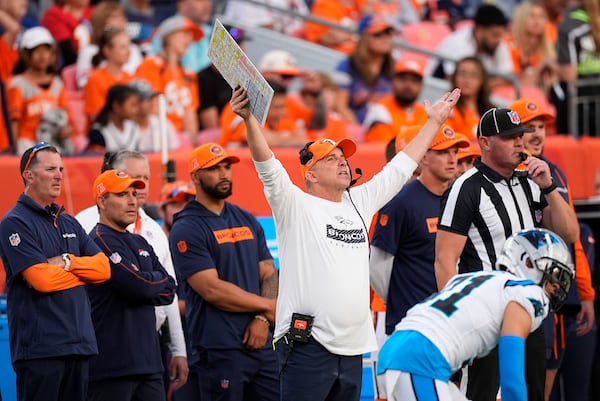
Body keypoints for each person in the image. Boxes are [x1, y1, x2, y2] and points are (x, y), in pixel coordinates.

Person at [230, 83, 461, 401]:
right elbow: (267, 166)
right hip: (306, 346)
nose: (343, 162)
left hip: (353, 348)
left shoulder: (358, 202)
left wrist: (434, 122)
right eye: (331, 158)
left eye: (343, 157)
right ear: (309, 173)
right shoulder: (294, 204)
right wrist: (248, 120)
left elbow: (400, 167)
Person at [434, 107, 580, 401]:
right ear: (485, 142)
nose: (519, 143)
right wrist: (459, 324)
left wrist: (550, 187)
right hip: (484, 315)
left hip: (528, 310)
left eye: (519, 136)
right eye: (509, 137)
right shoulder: (465, 188)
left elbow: (569, 235)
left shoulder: (531, 183)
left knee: (530, 393)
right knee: (482, 393)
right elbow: (444, 261)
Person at [378, 228, 576, 401]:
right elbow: (512, 378)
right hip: (421, 358)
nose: (556, 286)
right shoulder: (528, 293)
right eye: (554, 274)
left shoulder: (477, 278)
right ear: (528, 262)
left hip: (404, 347)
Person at [0, 142, 111, 401]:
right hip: (40, 350)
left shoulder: (68, 220)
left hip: (79, 345)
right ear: (29, 175)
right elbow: (43, 280)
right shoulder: (14, 222)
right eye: (51, 169)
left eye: (60, 168)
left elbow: (104, 269)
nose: (59, 175)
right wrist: (84, 274)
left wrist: (67, 261)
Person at [169, 143, 280, 401]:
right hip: (219, 348)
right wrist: (268, 307)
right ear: (195, 177)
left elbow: (269, 272)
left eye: (227, 167)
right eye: (214, 169)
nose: (224, 174)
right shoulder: (187, 227)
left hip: (262, 342)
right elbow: (212, 289)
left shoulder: (246, 218)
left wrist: (262, 320)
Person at [75, 150, 189, 398]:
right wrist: (149, 282)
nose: (133, 199)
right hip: (109, 362)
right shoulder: (91, 234)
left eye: (134, 191)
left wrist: (178, 349)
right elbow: (140, 287)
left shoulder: (146, 236)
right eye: (122, 193)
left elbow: (169, 288)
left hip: (149, 358)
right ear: (102, 201)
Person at [508, 98, 596, 401]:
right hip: (510, 288)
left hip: (549, 292)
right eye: (528, 127)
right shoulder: (501, 172)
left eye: (542, 127)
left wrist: (585, 293)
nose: (537, 134)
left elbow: (571, 236)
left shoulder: (554, 173)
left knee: (541, 388)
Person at [370, 125, 470, 331]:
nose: (452, 160)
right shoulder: (401, 202)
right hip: (411, 320)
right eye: (443, 152)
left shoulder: (458, 198)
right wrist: (400, 299)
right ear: (424, 158)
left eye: (455, 152)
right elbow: (378, 266)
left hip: (450, 319)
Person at [8, 26, 75, 155]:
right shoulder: (17, 84)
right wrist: (14, 151)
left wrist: (66, 131)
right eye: (37, 51)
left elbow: (66, 118)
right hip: (27, 144)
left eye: (46, 50)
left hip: (53, 145)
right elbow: (14, 121)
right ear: (26, 55)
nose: (43, 56)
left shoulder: (57, 83)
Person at [136, 15, 201, 146]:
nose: (189, 40)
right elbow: (152, 108)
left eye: (190, 36)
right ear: (169, 36)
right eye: (185, 34)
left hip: (181, 140)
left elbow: (190, 113)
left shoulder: (189, 74)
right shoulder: (151, 65)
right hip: (156, 135)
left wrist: (192, 142)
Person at [427, 4, 513, 86]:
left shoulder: (498, 45)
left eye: (501, 35)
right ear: (480, 30)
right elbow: (455, 81)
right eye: (495, 34)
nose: (498, 40)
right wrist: (493, 83)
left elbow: (509, 76)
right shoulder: (457, 42)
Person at [333, 13, 395, 124]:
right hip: (352, 129)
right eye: (378, 34)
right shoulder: (347, 65)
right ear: (363, 38)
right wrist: (359, 133)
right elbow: (339, 105)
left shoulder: (395, 69)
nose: (385, 39)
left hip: (384, 131)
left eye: (388, 33)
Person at [362, 58, 428, 142]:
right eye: (403, 79)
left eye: (414, 81)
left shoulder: (425, 112)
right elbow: (386, 150)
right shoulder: (380, 109)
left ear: (421, 86)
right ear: (393, 81)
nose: (408, 85)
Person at [83, 27, 134, 124]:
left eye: (128, 46)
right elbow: (96, 116)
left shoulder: (131, 79)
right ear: (107, 50)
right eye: (123, 47)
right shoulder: (95, 79)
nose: (128, 52)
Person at [446, 56, 495, 140]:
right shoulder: (447, 109)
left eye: (473, 75)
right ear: (454, 77)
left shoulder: (492, 112)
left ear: (482, 80)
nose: (467, 79)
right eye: (462, 73)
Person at [86, 84, 141, 153]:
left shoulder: (134, 127)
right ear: (116, 106)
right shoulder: (99, 131)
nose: (136, 110)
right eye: (133, 105)